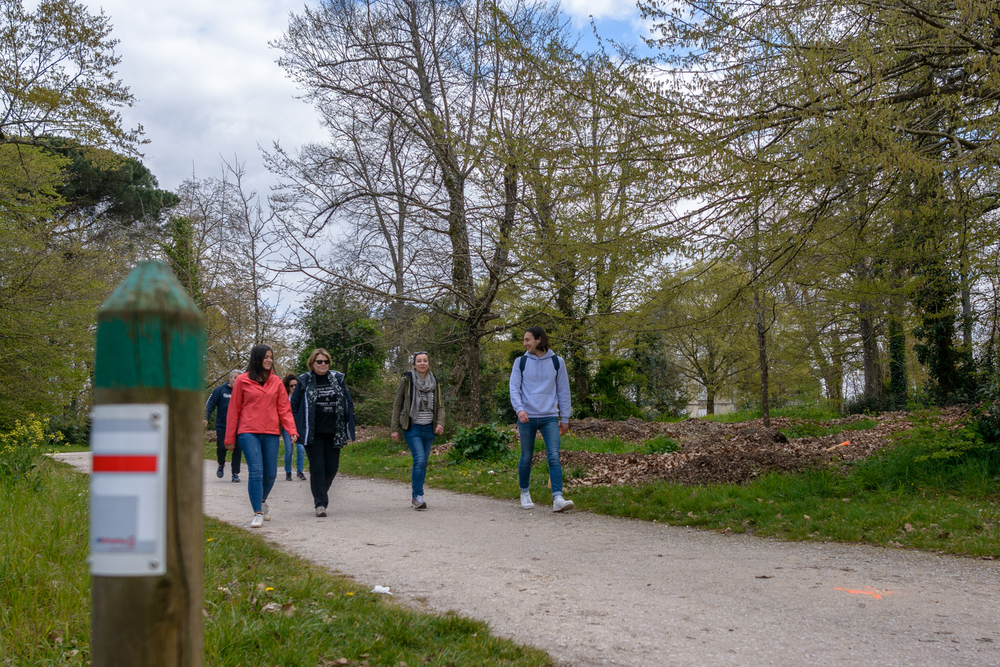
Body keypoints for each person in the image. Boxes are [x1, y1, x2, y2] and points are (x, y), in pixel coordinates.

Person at [225, 344, 298, 528]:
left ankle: (262, 500)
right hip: (248, 431)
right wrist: (229, 439)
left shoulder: (276, 382)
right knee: (256, 471)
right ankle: (257, 512)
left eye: (271, 357)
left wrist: (291, 430)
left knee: (271, 473)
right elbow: (234, 410)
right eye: (266, 357)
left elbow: (284, 409)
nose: (269, 360)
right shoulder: (242, 381)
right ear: (257, 359)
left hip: (271, 432)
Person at [509, 325, 574, 512]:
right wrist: (519, 409)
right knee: (526, 456)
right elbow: (514, 388)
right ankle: (524, 492)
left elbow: (563, 390)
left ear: (539, 340)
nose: (524, 343)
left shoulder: (557, 362)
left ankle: (558, 498)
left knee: (554, 456)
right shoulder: (520, 362)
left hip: (550, 417)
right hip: (527, 417)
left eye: (527, 339)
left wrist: (565, 417)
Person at [290, 348, 356, 517]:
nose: (323, 364)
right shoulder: (304, 381)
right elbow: (294, 405)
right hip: (313, 432)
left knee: (332, 468)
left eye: (326, 361)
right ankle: (320, 504)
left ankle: (320, 492)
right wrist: (296, 427)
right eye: (319, 361)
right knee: (318, 468)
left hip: (334, 431)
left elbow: (347, 401)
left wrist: (350, 423)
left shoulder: (337, 379)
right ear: (312, 363)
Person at [391, 351, 446, 510]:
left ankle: (417, 495)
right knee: (420, 460)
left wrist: (440, 422)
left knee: (424, 462)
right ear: (414, 364)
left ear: (429, 363)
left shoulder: (434, 381)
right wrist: (394, 428)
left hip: (429, 428)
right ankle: (417, 496)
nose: (422, 363)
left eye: (425, 361)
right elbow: (397, 404)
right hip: (412, 427)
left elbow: (440, 405)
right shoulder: (407, 380)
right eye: (419, 361)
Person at [205, 369, 242, 482]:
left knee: (237, 449)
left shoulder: (243, 392)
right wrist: (205, 417)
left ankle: (235, 473)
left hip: (238, 426)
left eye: (239, 379)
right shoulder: (220, 390)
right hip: (222, 425)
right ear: (230, 378)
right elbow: (210, 404)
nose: (237, 381)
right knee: (222, 447)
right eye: (235, 378)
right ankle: (221, 464)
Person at [281, 373, 306, 481]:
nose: (294, 388)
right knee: (289, 450)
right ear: (287, 387)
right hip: (287, 427)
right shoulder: (284, 398)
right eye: (291, 386)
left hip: (299, 426)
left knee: (300, 449)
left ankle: (300, 471)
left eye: (296, 385)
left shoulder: (302, 398)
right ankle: (288, 472)